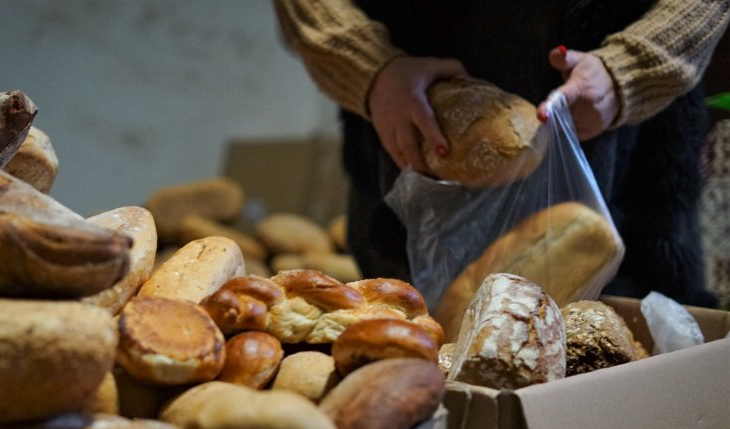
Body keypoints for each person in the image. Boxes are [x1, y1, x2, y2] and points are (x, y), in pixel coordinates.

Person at [272, 0, 730, 307]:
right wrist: (367, 64)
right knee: (424, 358)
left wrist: (637, 64)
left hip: (631, 165)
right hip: (408, 144)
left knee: (622, 376)